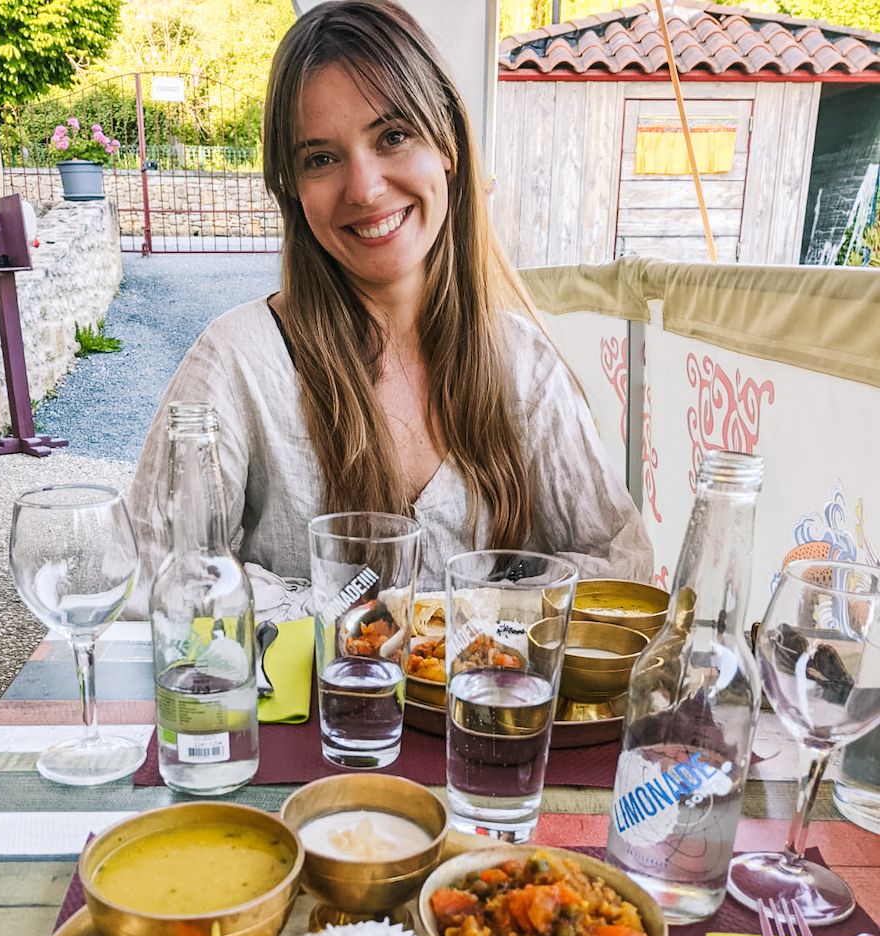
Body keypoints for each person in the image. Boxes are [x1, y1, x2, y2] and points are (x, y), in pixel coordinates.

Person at [126, 0, 652, 620]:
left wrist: (437, 613)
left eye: (392, 136)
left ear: (448, 144)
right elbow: (153, 581)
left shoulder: (522, 365)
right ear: (292, 188)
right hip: (308, 720)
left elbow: (623, 569)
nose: (366, 187)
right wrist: (368, 613)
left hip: (485, 718)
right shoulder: (238, 361)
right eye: (321, 158)